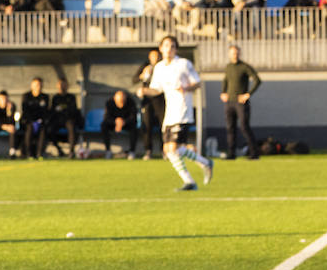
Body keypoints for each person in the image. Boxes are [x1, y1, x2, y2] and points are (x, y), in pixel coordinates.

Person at [143, 35, 213, 191]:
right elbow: (157, 89)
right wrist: (144, 91)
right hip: (169, 114)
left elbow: (197, 83)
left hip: (182, 110)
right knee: (168, 150)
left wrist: (186, 88)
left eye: (172, 46)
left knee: (173, 148)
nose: (169, 49)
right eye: (166, 45)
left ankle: (197, 173)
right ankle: (198, 171)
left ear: (176, 49)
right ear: (160, 48)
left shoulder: (183, 64)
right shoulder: (159, 67)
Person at [219, 45, 261, 160]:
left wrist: (248, 94)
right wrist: (223, 92)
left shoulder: (244, 67)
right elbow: (226, 80)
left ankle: (254, 153)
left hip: (241, 103)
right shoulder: (228, 67)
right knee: (230, 128)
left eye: (236, 53)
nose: (235, 55)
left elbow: (257, 80)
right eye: (233, 53)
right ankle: (231, 153)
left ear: (239, 54)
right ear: (229, 54)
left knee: (244, 127)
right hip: (229, 102)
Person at [100, 89, 138, 158]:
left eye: (123, 102)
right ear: (114, 99)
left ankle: (132, 151)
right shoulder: (109, 103)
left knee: (134, 127)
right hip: (113, 123)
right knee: (104, 125)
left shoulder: (131, 102)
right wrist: (116, 121)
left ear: (125, 98)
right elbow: (106, 117)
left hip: (126, 123)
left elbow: (133, 118)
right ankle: (108, 151)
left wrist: (123, 122)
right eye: (119, 102)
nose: (121, 105)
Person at [19, 77, 49, 159]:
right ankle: (29, 154)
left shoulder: (45, 97)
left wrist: (40, 120)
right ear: (32, 86)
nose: (38, 87)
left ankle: (40, 154)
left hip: (40, 122)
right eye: (36, 85)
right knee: (29, 130)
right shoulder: (26, 96)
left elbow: (45, 111)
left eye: (39, 85)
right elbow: (25, 110)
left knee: (43, 131)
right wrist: (32, 121)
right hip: (29, 121)